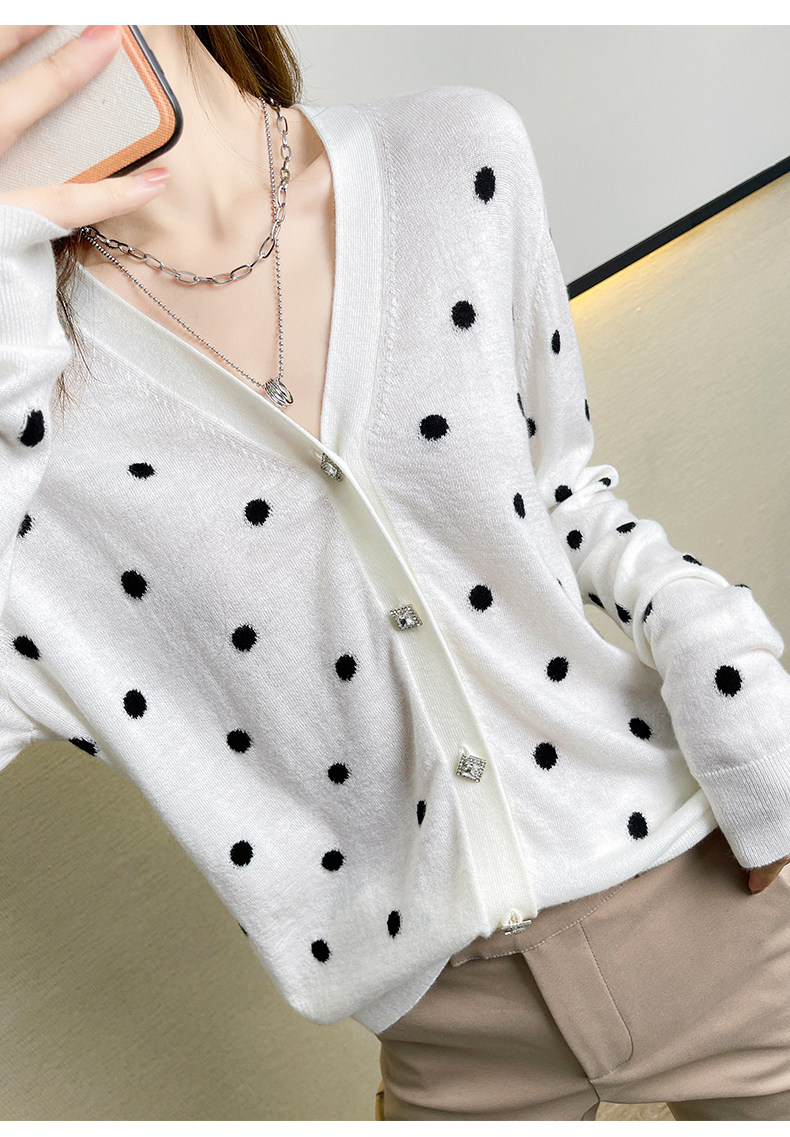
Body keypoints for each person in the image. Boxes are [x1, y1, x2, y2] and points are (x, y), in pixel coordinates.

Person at [1, 24, 789, 1122]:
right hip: (450, 1031)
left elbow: (559, 494)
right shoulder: (25, 392)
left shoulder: (451, 157)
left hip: (714, 900)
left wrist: (733, 681)